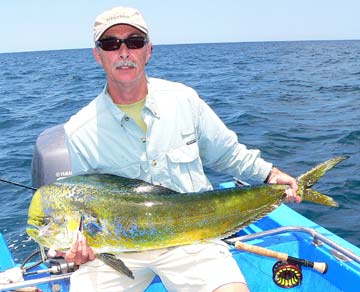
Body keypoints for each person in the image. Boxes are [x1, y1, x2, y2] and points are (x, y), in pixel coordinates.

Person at [58, 6, 301, 292]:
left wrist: (270, 174)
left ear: (148, 50)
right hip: (118, 250)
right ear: (97, 55)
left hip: (193, 238)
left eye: (134, 42)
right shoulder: (79, 129)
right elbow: (83, 205)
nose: (124, 52)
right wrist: (73, 246)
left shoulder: (184, 100)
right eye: (111, 44)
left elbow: (228, 154)